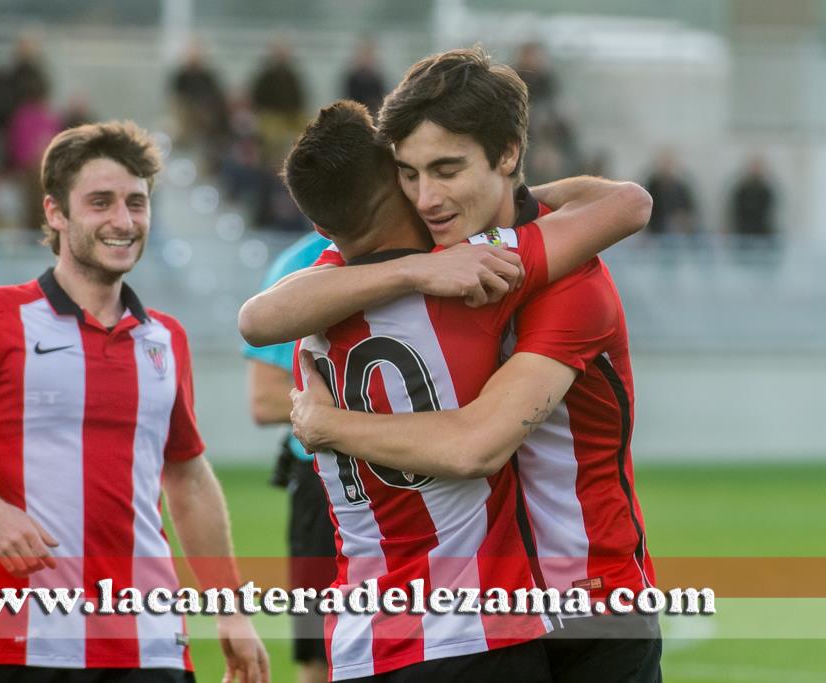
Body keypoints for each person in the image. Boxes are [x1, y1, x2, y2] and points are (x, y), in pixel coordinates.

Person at [242, 47, 660, 682]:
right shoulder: (418, 256)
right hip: (492, 612)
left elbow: (477, 445)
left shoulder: (564, 277)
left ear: (508, 155)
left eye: (446, 170)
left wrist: (323, 425)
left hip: (589, 603)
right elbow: (263, 316)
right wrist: (416, 266)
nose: (427, 197)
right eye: (409, 174)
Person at [0, 121, 269, 682]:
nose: (123, 220)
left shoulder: (167, 339)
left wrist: (231, 610)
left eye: (136, 203)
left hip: (151, 642)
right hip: (25, 642)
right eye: (100, 202)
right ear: (56, 213)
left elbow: (187, 477)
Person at [243, 231, 334, 683]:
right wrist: (369, 415)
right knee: (322, 651)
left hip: (421, 478)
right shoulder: (301, 264)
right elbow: (264, 398)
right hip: (326, 486)